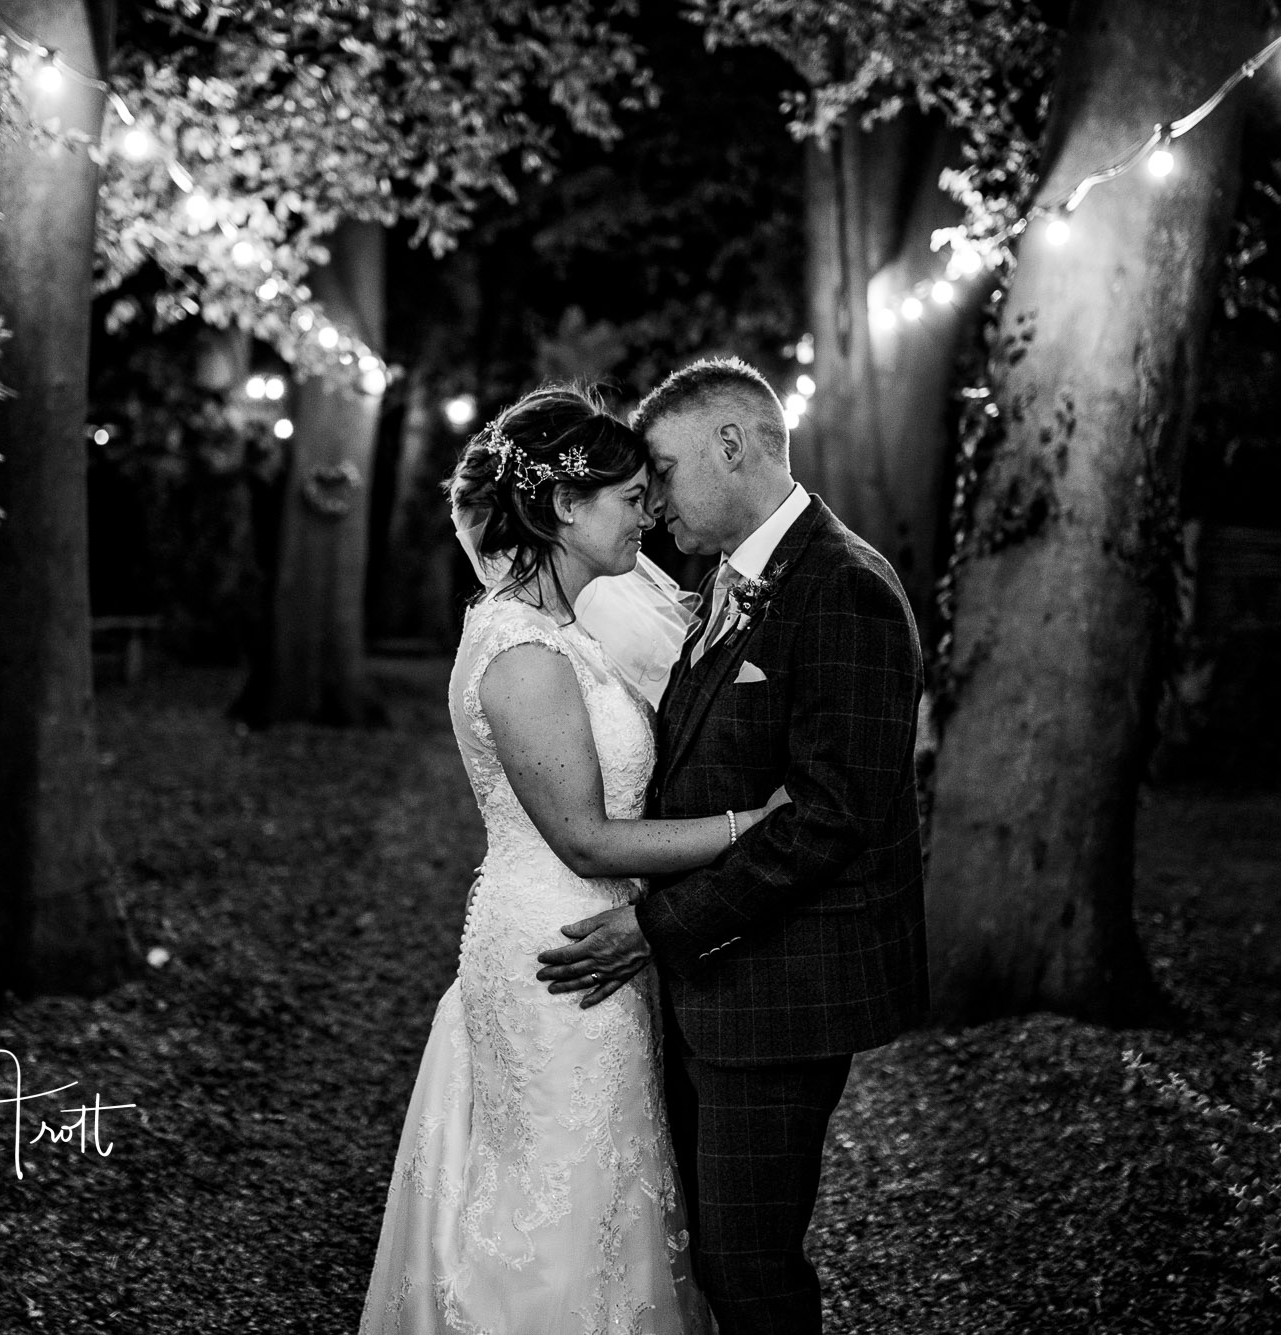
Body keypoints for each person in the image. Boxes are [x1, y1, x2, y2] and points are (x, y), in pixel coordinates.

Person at [357, 384, 786, 1335]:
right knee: (559, 1198)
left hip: (603, 938)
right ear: (562, 507)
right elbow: (584, 836)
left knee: (612, 1191)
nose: (650, 513)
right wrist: (749, 823)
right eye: (630, 497)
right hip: (560, 953)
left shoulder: (570, 634)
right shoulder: (521, 654)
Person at [535, 356, 928, 1334]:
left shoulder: (842, 587)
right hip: (720, 983)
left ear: (730, 444)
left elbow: (829, 819)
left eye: (660, 470)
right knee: (710, 1253)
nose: (652, 501)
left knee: (747, 1267)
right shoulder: (726, 578)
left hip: (782, 990)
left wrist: (655, 928)